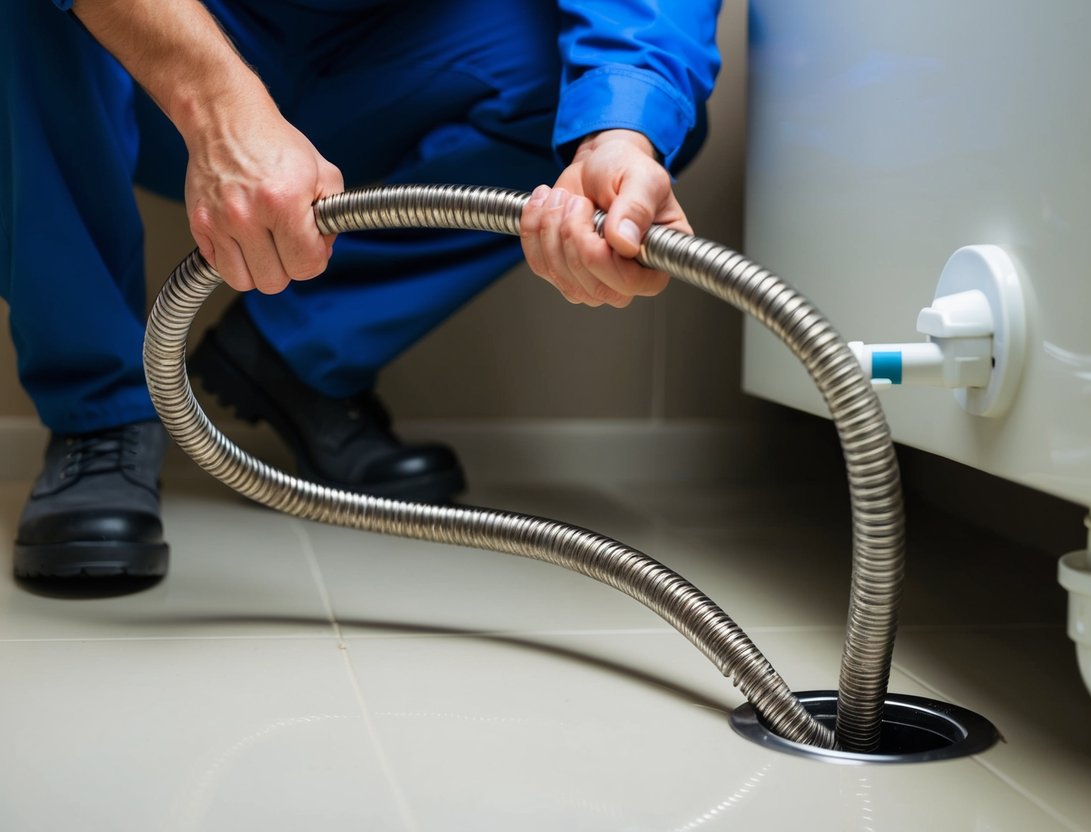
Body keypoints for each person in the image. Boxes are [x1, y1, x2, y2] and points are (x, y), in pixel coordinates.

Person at [0, 0, 723, 580]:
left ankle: (294, 352)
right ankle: (99, 417)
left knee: (627, 110)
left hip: (398, 52)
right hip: (155, 46)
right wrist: (218, 102)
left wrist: (616, 132)